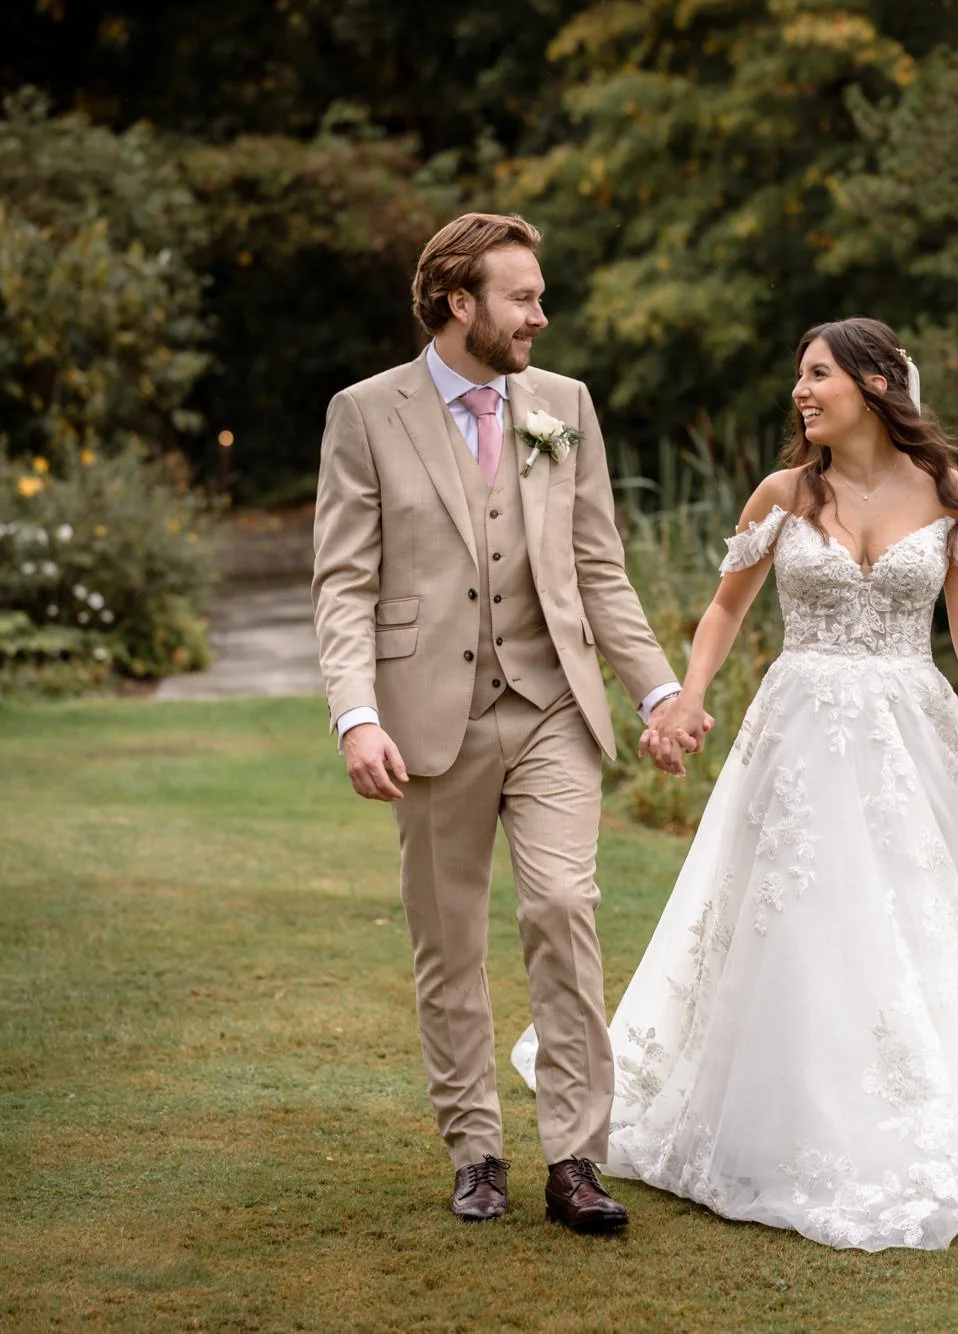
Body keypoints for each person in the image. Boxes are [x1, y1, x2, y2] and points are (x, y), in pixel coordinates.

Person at [511, 316, 958, 1251]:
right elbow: (725, 609)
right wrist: (685, 701)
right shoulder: (780, 494)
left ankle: (942, 1089)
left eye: (818, 376)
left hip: (913, 729)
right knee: (804, 907)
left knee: (928, 908)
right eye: (798, 378)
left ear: (876, 385)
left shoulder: (945, 494)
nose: (801, 393)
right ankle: (793, 1102)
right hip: (801, 728)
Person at [312, 212, 704, 1233]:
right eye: (522, 296)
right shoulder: (365, 413)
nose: (541, 313)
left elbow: (600, 567)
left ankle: (575, 1155)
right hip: (426, 717)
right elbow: (344, 581)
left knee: (563, 908)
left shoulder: (562, 406)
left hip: (550, 708)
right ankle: (475, 1148)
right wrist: (357, 714)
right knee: (447, 940)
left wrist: (657, 689)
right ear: (458, 302)